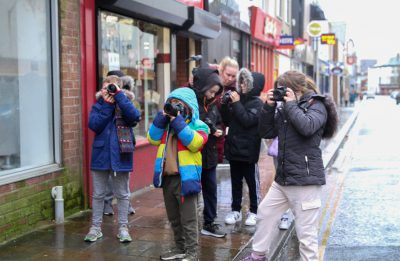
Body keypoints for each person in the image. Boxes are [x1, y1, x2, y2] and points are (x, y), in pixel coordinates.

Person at [242, 70, 338, 261]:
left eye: (283, 90)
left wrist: (291, 104)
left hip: (305, 180)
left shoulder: (317, 105)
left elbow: (307, 127)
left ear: (297, 89)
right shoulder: (285, 107)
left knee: (306, 235)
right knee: (265, 212)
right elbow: (267, 131)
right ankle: (258, 256)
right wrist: (268, 108)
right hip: (284, 178)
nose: (280, 94)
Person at [147, 87, 209, 261]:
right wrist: (161, 120)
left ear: (189, 107)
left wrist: (178, 122)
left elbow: (195, 143)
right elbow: (152, 139)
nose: (174, 107)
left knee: (189, 220)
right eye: (172, 103)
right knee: (174, 219)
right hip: (167, 178)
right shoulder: (166, 126)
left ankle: (192, 253)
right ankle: (181, 249)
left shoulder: (199, 126)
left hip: (186, 179)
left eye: (179, 104)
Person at [84, 74, 141, 243]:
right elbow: (94, 125)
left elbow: (134, 117)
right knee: (98, 194)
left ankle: (123, 228)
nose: (108, 89)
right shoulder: (98, 106)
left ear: (120, 89)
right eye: (106, 85)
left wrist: (119, 97)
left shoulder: (125, 104)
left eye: (112, 86)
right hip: (101, 155)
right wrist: (108, 105)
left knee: (122, 194)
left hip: (121, 154)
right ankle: (95, 228)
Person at [221, 68, 264, 226]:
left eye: (245, 82)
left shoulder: (258, 104)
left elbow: (247, 120)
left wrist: (236, 103)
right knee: (235, 183)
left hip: (249, 152)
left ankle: (254, 211)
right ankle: (235, 211)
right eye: (241, 81)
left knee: (252, 184)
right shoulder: (238, 100)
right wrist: (225, 105)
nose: (242, 85)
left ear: (253, 85)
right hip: (234, 150)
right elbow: (227, 120)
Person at [191, 67, 226, 238]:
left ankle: (209, 222)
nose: (213, 95)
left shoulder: (212, 103)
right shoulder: (190, 100)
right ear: (203, 86)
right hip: (192, 154)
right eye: (211, 91)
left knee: (211, 189)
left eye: (215, 93)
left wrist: (217, 129)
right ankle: (187, 225)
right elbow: (191, 122)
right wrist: (210, 127)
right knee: (190, 190)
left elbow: (219, 121)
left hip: (209, 153)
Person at [103, 72, 138, 216]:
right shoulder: (102, 99)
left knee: (123, 177)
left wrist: (120, 97)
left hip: (124, 143)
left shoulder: (126, 99)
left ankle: (126, 202)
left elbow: (134, 119)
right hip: (108, 142)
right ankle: (107, 204)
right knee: (109, 177)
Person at [215, 57, 239, 163]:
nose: (230, 79)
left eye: (233, 76)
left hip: (223, 131)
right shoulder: (212, 83)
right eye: (228, 75)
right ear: (221, 71)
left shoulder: (236, 90)